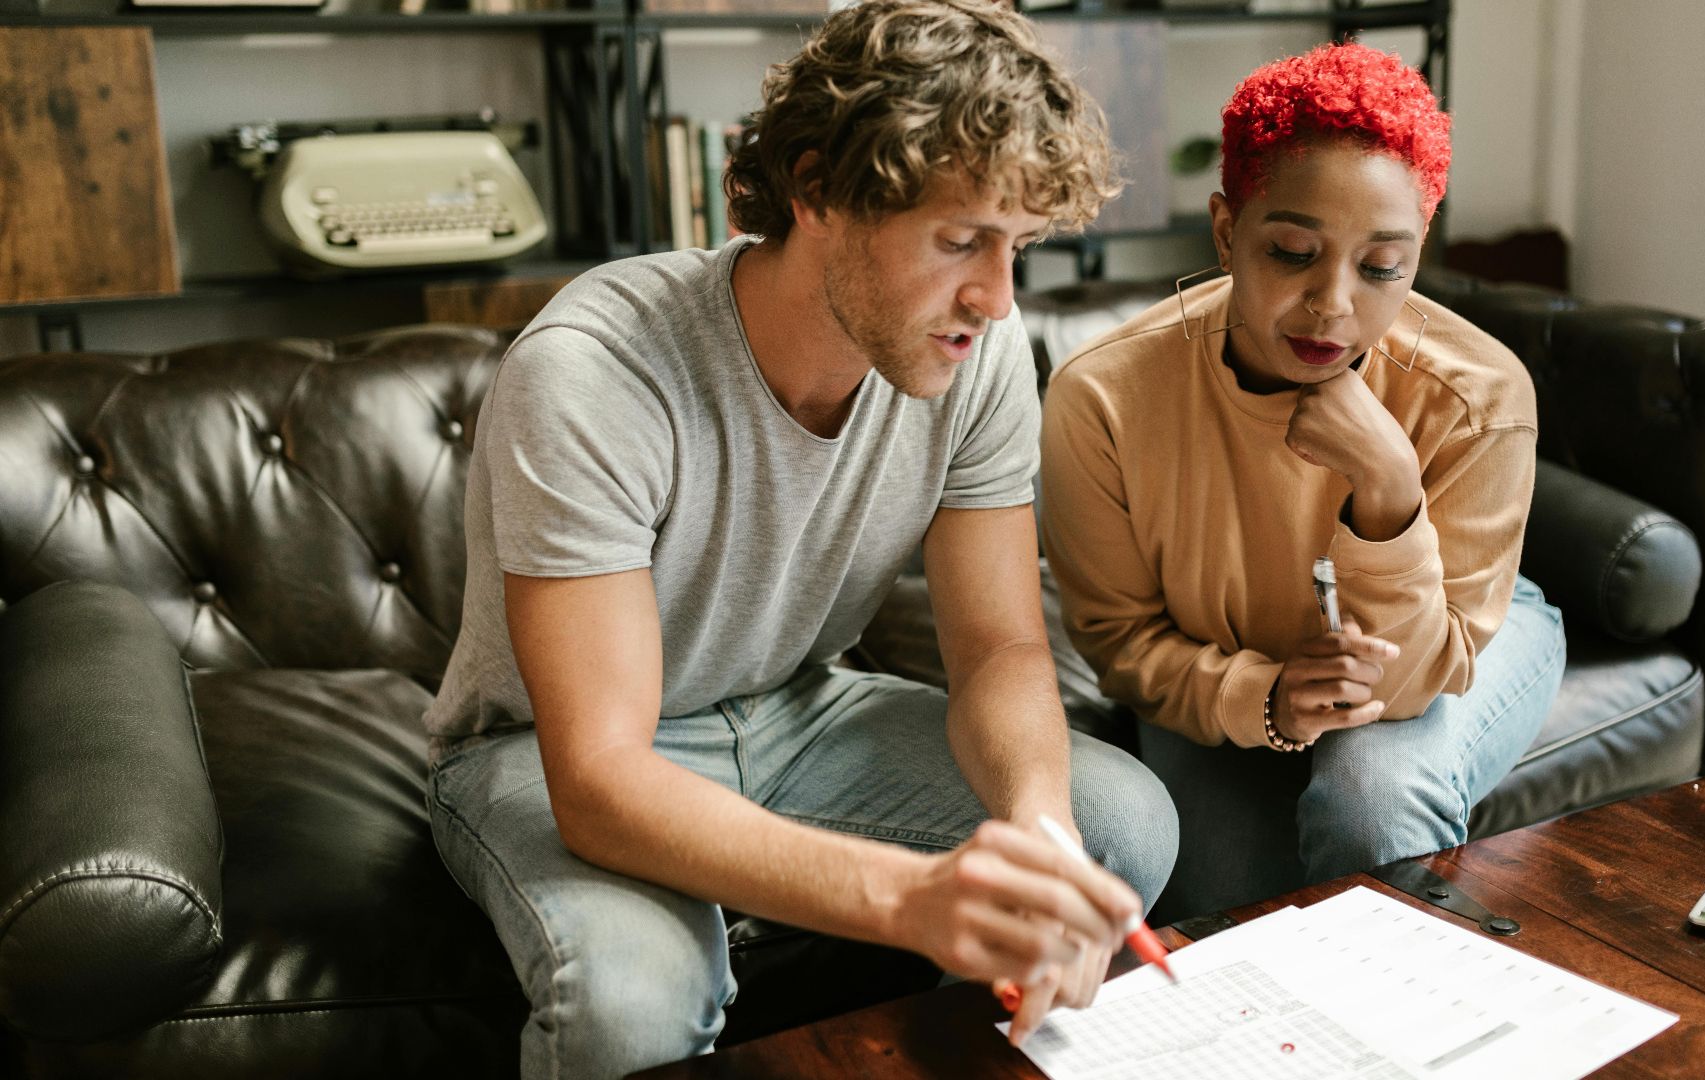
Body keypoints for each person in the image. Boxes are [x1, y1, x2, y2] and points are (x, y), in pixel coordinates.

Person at [420, 1, 1179, 1073]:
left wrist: (1036, 829)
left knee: (1115, 824)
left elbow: (1001, 648)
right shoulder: (595, 371)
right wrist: (912, 897)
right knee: (632, 1003)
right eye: (962, 240)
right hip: (547, 756)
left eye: (1016, 247)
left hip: (798, 712)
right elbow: (597, 777)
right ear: (818, 188)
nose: (998, 300)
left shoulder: (976, 353)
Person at [1039, 42, 1565, 911]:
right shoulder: (1104, 396)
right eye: (1290, 251)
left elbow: (1414, 680)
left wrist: (1391, 487)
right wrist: (1267, 697)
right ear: (1224, 231)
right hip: (1223, 663)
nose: (1333, 304)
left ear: (1419, 251)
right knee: (1231, 909)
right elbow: (1119, 643)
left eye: (1382, 267)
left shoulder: (1479, 395)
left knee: (1372, 798)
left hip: (1467, 633)